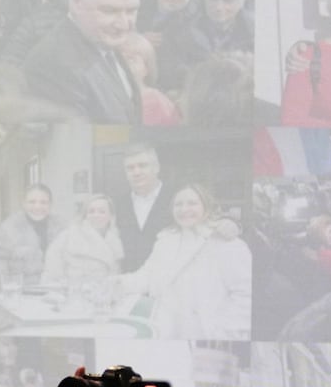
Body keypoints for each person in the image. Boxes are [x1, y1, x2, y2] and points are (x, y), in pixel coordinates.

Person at [112, 183, 253, 340]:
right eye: (178, 204)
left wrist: (224, 332)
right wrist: (116, 283)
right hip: (164, 329)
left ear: (206, 206)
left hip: (204, 332)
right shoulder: (165, 239)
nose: (184, 209)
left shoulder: (226, 242)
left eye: (192, 203)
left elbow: (244, 295)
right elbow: (147, 275)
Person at [22, 0, 143, 124]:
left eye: (131, 11)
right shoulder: (54, 64)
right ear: (77, 2)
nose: (123, 24)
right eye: (109, 11)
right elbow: (75, 146)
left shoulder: (103, 41)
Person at [159, 0, 255, 90]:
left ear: (241, 1)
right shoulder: (178, 27)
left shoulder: (256, 31)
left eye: (228, 1)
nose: (219, 7)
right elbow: (169, 74)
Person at [41, 193, 125, 288]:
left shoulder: (115, 240)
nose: (96, 215)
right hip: (73, 297)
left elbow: (116, 278)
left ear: (111, 216)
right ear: (85, 215)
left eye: (102, 211)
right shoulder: (68, 236)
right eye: (91, 211)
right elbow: (51, 275)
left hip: (105, 298)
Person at [113, 142, 174, 271]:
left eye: (142, 165)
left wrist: (228, 221)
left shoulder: (177, 198)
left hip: (168, 281)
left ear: (156, 167)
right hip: (129, 283)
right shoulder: (118, 204)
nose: (136, 172)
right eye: (130, 168)